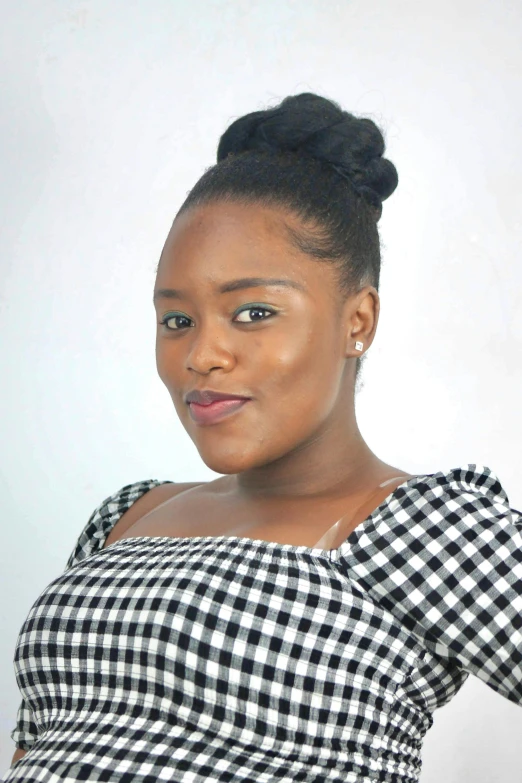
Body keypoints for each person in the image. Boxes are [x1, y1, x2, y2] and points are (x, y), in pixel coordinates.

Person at [6, 93, 521, 782]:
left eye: (252, 312)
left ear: (357, 320)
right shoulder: (126, 515)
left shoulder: (426, 531)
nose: (202, 356)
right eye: (177, 320)